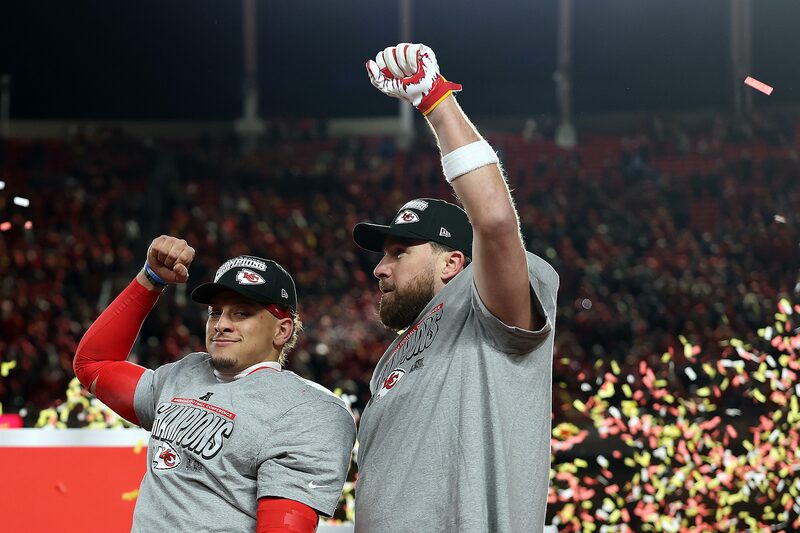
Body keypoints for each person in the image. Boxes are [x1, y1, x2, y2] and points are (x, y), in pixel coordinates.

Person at [351, 44, 559, 532]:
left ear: (453, 263)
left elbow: (492, 219)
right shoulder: (394, 358)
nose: (380, 269)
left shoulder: (481, 306)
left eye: (400, 253)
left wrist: (436, 101)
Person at [73, 235, 356, 533]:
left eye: (242, 313)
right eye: (215, 312)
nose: (221, 324)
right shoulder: (184, 373)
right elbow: (93, 364)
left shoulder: (307, 410)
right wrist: (150, 280)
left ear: (282, 330)